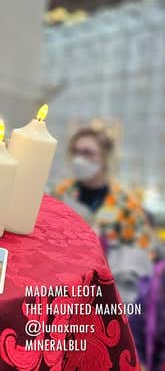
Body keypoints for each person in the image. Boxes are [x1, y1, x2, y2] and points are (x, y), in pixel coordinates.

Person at [52, 126, 154, 302]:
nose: (79, 159)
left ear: (104, 158)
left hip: (109, 287)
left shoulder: (125, 203)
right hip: (61, 279)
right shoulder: (63, 192)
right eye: (75, 152)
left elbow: (143, 254)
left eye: (87, 153)